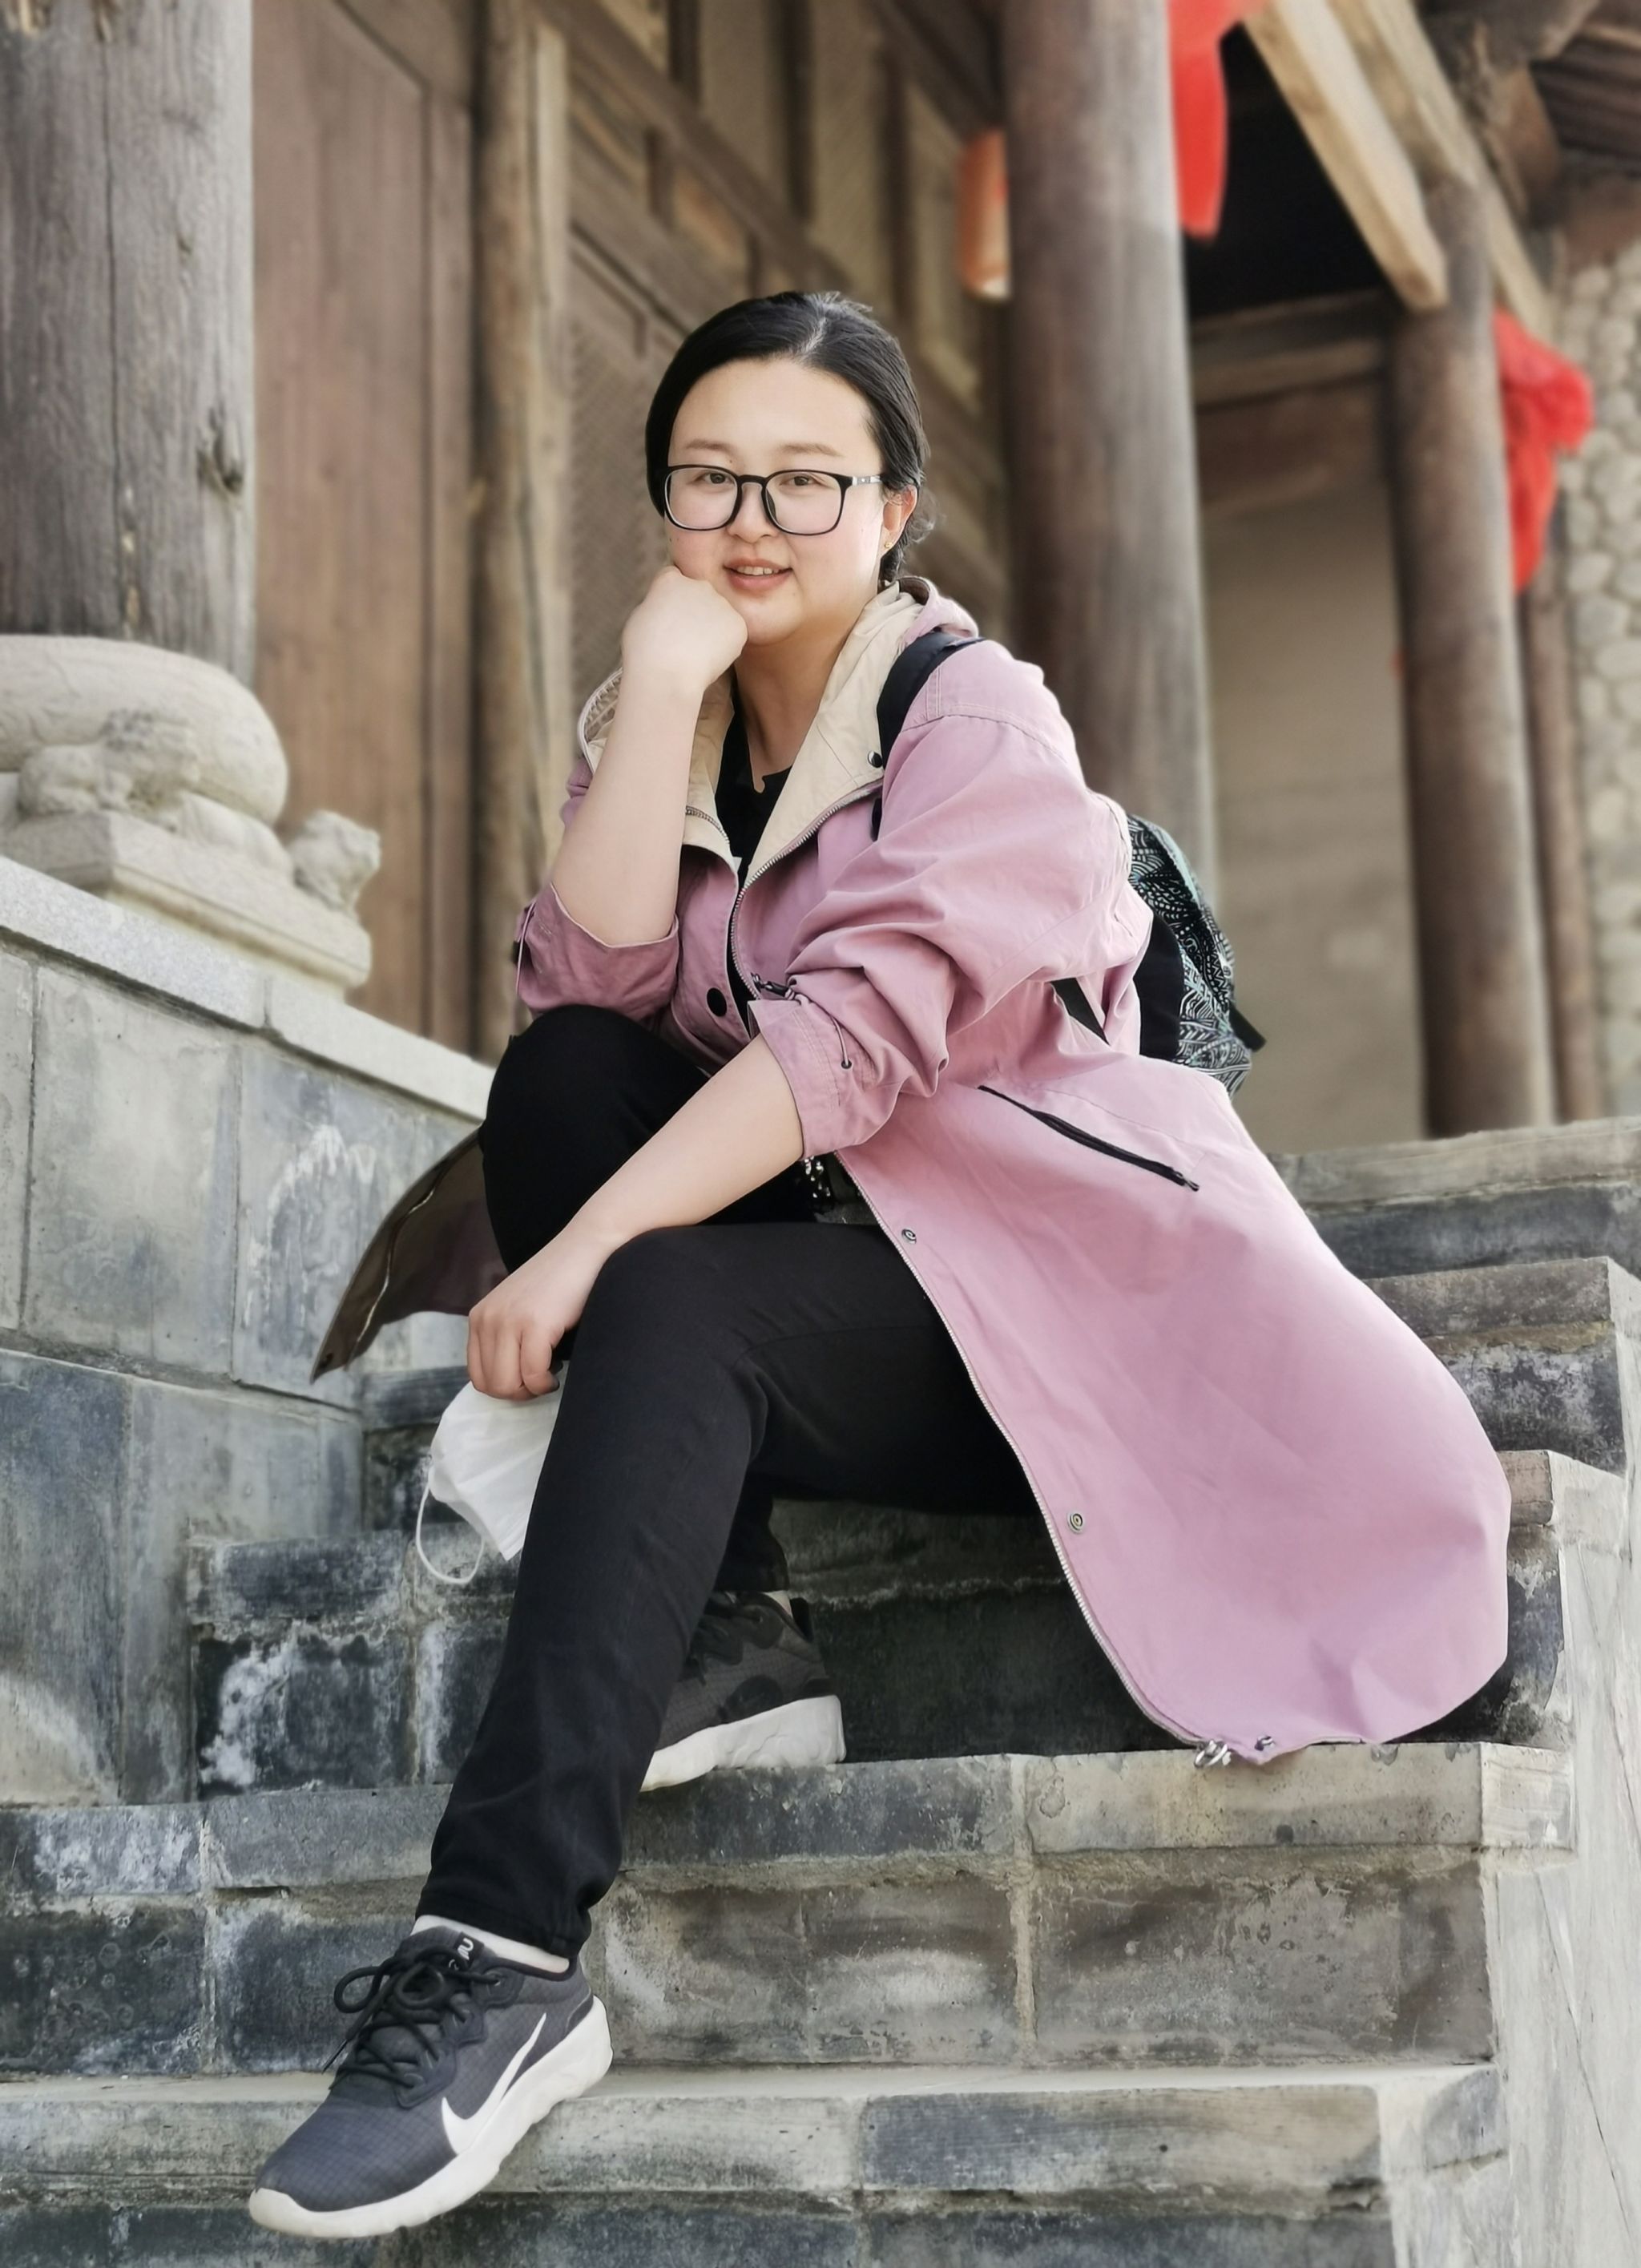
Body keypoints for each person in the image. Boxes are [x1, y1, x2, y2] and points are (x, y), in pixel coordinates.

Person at [248, 290, 1510, 2242]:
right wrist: (653, 690)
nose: (752, 520)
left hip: (1058, 1310)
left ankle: (494, 1954)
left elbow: (845, 1048)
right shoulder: (676, 718)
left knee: (659, 1279)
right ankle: (732, 1625)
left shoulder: (977, 719)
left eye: (806, 482)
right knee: (565, 1074)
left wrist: (578, 1252)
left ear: (895, 507)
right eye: (709, 479)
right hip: (845, 1276)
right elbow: (585, 980)